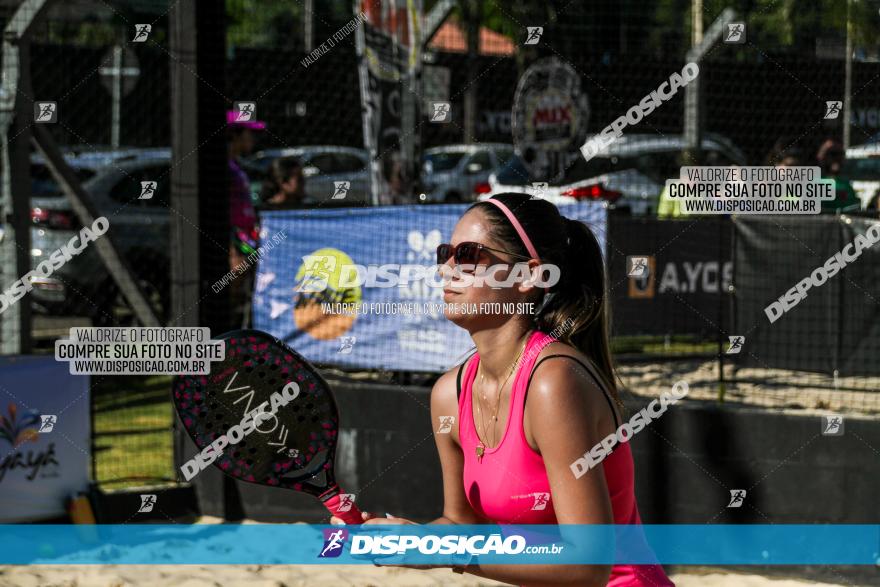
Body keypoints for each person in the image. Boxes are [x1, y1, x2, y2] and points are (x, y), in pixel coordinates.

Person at [332, 193, 673, 586]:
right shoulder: (449, 392)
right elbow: (461, 524)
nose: (447, 269)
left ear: (529, 276)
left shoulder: (552, 382)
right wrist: (408, 539)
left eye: (468, 255)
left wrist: (438, 553)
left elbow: (589, 566)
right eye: (446, 253)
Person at [226, 109, 265, 325]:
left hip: (245, 237)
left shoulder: (236, 165)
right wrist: (233, 246)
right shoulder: (226, 167)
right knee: (233, 282)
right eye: (249, 133)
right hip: (234, 237)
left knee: (243, 284)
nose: (253, 139)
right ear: (235, 135)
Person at [815, 139, 858, 213]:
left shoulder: (846, 184)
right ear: (822, 158)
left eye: (840, 154)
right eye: (832, 154)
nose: (836, 158)